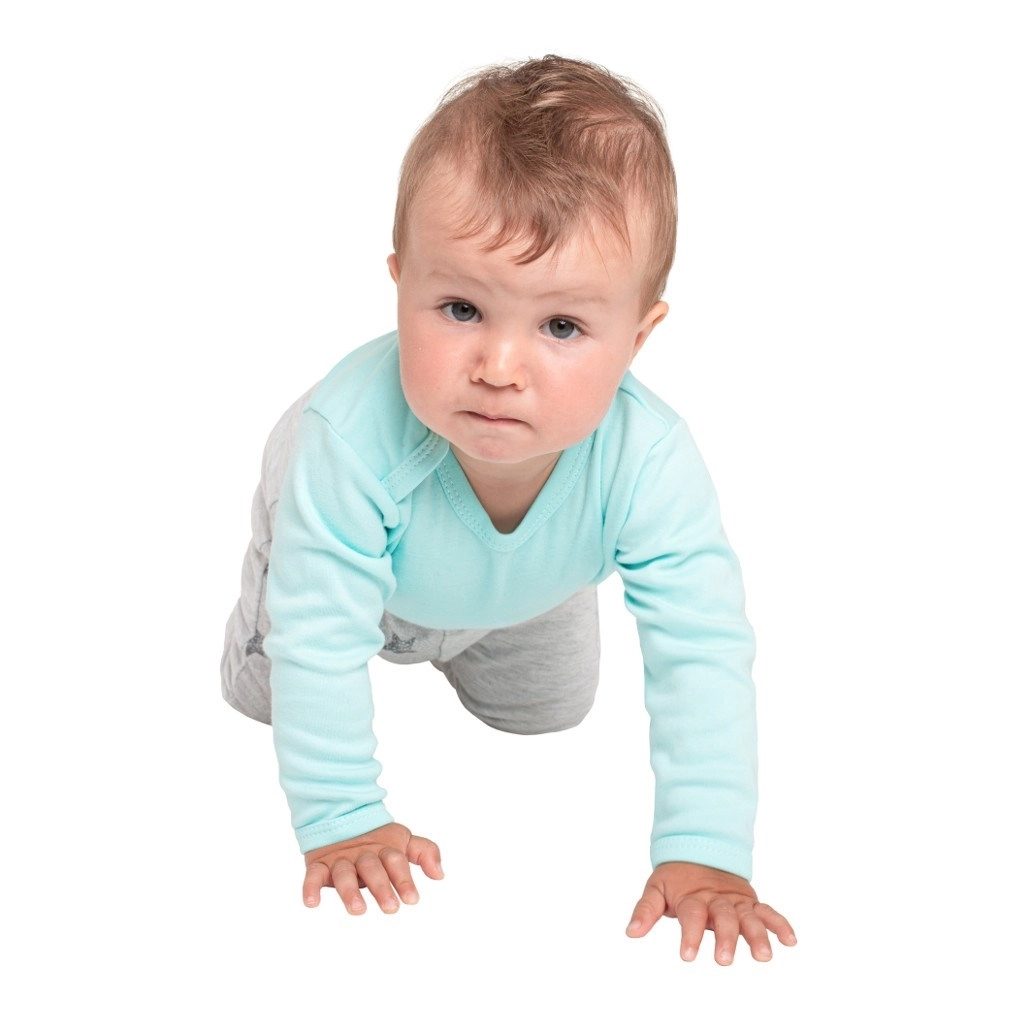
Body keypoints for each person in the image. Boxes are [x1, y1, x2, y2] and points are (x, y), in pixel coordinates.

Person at [222, 55, 796, 965]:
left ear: (638, 336)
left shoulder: (649, 461)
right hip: (346, 556)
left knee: (546, 718)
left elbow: (702, 649)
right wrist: (343, 818)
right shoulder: (348, 444)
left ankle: (472, 629)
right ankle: (353, 634)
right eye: (459, 308)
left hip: (531, 580)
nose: (498, 367)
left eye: (562, 327)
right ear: (401, 285)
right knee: (270, 694)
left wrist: (706, 851)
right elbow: (320, 637)